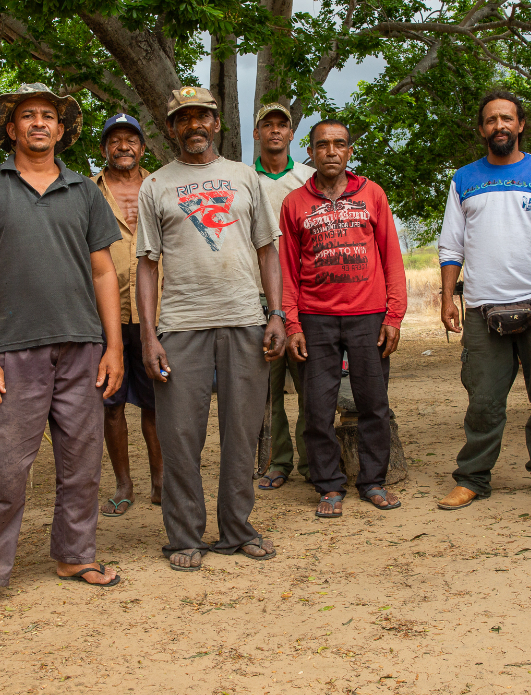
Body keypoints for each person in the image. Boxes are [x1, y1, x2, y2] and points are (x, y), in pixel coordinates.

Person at [0, 83, 125, 619]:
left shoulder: (85, 192)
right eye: (28, 116)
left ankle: (74, 555)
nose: (39, 124)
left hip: (82, 348)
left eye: (48, 116)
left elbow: (102, 271)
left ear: (61, 128)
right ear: (12, 128)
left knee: (83, 462)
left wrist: (113, 345)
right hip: (11, 351)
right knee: (2, 467)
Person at [135, 86, 286, 572]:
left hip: (244, 319)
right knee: (181, 436)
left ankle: (238, 528)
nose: (194, 126)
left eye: (202, 117)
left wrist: (276, 313)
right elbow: (146, 265)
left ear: (216, 123)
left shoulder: (245, 178)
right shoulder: (156, 184)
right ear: (172, 127)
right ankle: (184, 536)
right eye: (184, 119)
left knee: (242, 433)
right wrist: (148, 333)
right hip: (181, 325)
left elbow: (267, 249)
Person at [436, 91, 531, 511]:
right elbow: (451, 245)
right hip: (482, 306)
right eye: (492, 120)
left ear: (520, 124)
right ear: (482, 130)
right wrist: (447, 298)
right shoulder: (463, 179)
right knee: (483, 399)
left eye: (507, 118)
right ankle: (473, 477)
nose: (500, 126)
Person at [280, 119, 407, 517]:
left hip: (368, 315)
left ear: (349, 151)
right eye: (322, 145)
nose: (331, 152)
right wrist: (292, 323)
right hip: (315, 318)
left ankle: (372, 481)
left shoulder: (372, 194)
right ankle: (329, 485)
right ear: (311, 153)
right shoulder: (294, 203)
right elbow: (286, 269)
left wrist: (394, 315)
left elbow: (392, 257)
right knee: (316, 407)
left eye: (339, 145)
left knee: (374, 404)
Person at [92, 113, 164, 516]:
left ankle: (160, 480)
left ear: (142, 146)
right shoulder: (87, 191)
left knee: (157, 403)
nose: (123, 146)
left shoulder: (160, 186)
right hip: (108, 316)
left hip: (159, 315)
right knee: (111, 403)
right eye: (115, 140)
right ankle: (123, 484)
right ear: (104, 148)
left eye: (131, 140)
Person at [252, 103, 315, 491]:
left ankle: (312, 461)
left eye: (282, 125)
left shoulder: (308, 179)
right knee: (268, 388)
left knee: (309, 383)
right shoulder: (243, 179)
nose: (275, 131)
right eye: (267, 125)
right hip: (257, 298)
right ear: (257, 133)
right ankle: (278, 461)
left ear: (292, 134)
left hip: (304, 298)